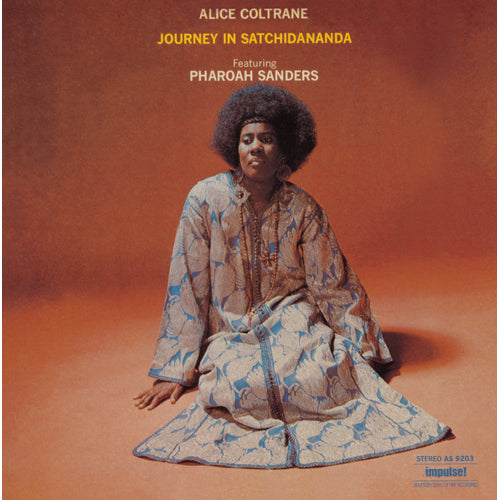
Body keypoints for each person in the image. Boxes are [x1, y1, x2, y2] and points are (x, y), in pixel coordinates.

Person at [133, 84, 449, 468]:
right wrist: (175, 368)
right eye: (247, 139)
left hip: (293, 315)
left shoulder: (303, 207)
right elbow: (187, 280)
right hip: (230, 326)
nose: (255, 147)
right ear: (234, 146)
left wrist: (362, 345)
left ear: (284, 151)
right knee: (241, 385)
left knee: (320, 374)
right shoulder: (204, 199)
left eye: (266, 139)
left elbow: (332, 281)